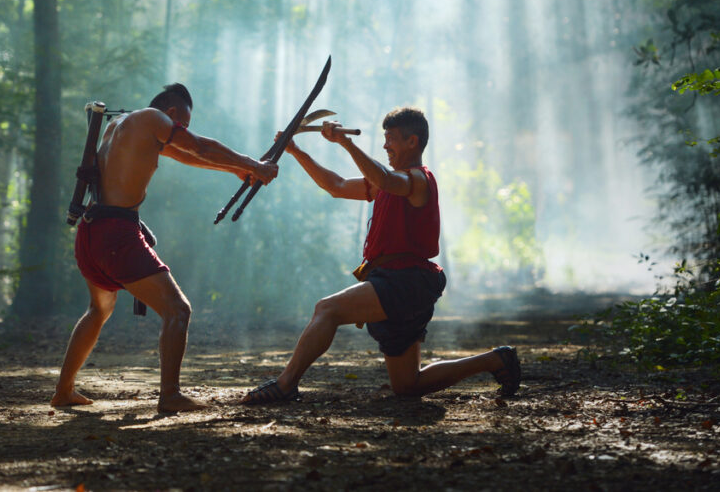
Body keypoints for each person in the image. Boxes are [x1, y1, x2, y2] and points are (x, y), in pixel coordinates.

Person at [241, 107, 520, 404]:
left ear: (412, 142)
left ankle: (285, 384)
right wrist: (296, 151)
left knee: (327, 309)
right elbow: (335, 186)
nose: (385, 145)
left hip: (407, 281)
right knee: (408, 385)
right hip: (395, 281)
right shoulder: (386, 182)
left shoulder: (417, 180)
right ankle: (495, 361)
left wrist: (346, 144)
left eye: (391, 139)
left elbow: (386, 180)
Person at [52, 83, 279, 413]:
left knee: (98, 310)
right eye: (181, 124)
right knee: (178, 310)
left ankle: (63, 390)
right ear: (170, 112)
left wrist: (237, 170)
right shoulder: (154, 118)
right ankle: (170, 395)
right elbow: (198, 146)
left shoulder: (123, 125)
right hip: (117, 234)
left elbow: (186, 154)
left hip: (91, 232)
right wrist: (254, 165)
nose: (182, 131)